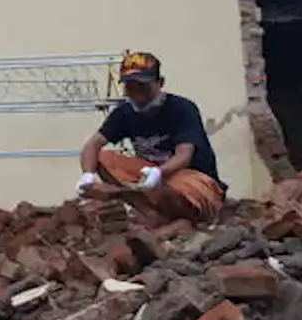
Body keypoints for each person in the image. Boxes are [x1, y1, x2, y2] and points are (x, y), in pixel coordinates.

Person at [76, 52, 225, 223]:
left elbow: (184, 154)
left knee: (179, 189)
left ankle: (177, 213)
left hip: (191, 177)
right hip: (150, 176)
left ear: (160, 83)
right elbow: (93, 145)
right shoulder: (124, 112)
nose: (137, 94)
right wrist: (87, 175)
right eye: (131, 87)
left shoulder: (182, 108)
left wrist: (159, 173)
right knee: (103, 158)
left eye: (143, 86)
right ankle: (144, 207)